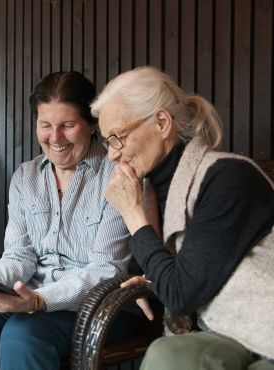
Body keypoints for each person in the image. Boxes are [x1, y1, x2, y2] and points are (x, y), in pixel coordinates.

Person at [0, 71, 141, 370]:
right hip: (30, 296)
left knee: (22, 335)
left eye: (68, 125)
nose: (55, 137)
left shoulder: (117, 176)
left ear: (92, 125)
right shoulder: (26, 176)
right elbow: (19, 256)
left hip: (102, 304)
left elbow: (106, 270)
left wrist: (38, 301)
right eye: (45, 125)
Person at [90, 66, 274, 369]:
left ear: (162, 122)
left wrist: (133, 215)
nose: (112, 154)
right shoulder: (149, 191)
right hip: (217, 326)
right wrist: (155, 278)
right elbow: (174, 276)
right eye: (107, 141)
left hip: (259, 324)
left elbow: (180, 295)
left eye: (119, 137)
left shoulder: (228, 178)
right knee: (170, 355)